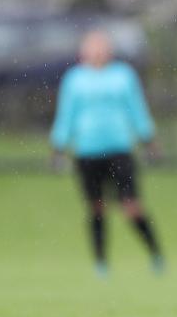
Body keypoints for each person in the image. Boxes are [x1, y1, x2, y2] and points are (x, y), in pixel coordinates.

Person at [50, 30, 164, 276]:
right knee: (96, 207)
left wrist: (148, 139)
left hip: (119, 149)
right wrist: (59, 146)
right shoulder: (75, 79)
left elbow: (136, 109)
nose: (97, 52)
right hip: (87, 151)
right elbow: (66, 114)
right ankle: (101, 263)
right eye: (92, 47)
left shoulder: (123, 76)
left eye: (101, 47)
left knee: (131, 206)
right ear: (83, 51)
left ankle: (156, 254)